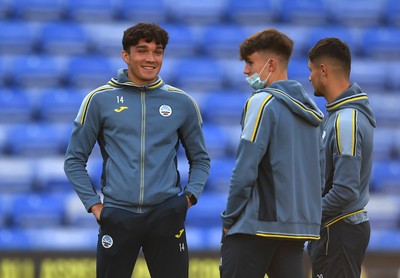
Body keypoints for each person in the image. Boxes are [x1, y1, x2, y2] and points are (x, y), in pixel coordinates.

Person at [64, 23, 210, 278]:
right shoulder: (99, 100)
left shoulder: (182, 102)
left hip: (166, 214)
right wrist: (95, 207)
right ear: (126, 55)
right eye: (142, 51)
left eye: (158, 51)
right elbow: (74, 161)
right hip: (118, 215)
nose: (151, 59)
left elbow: (201, 159)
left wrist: (188, 200)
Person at [220, 28, 324, 278]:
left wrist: (229, 217)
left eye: (250, 62)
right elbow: (320, 173)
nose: (246, 70)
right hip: (296, 230)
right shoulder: (313, 112)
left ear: (271, 63)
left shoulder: (261, 101)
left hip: (256, 227)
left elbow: (245, 168)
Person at [307, 38, 375, 278]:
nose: (309, 77)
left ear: (323, 70)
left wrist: (308, 214)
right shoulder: (337, 115)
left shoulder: (346, 121)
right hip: (334, 230)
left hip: (340, 230)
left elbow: (346, 190)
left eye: (311, 70)